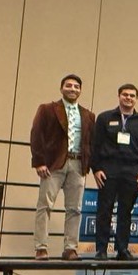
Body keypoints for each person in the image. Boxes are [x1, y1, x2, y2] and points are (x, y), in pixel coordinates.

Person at [30, 74, 95, 261]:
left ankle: (70, 248)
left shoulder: (88, 115)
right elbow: (36, 135)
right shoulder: (47, 109)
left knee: (75, 208)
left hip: (78, 164)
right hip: (52, 164)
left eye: (76, 86)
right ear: (61, 88)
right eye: (69, 86)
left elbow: (91, 142)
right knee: (45, 205)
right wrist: (39, 162)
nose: (73, 89)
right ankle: (41, 248)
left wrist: (88, 164)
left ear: (80, 91)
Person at [91, 84, 138, 260]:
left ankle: (122, 249)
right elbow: (95, 145)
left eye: (132, 96)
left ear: (136, 99)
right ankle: (101, 249)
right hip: (108, 170)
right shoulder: (104, 118)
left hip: (132, 171)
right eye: (125, 95)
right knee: (104, 210)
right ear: (119, 96)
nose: (128, 98)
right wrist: (96, 169)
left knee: (125, 212)